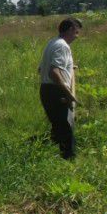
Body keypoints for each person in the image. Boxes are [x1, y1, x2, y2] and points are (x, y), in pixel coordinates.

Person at [38, 17, 82, 159]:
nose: (77, 35)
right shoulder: (62, 46)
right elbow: (54, 72)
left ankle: (45, 154)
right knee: (66, 129)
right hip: (56, 92)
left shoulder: (52, 42)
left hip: (47, 90)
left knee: (58, 128)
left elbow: (41, 69)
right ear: (69, 30)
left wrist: (69, 69)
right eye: (76, 31)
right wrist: (69, 94)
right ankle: (69, 162)